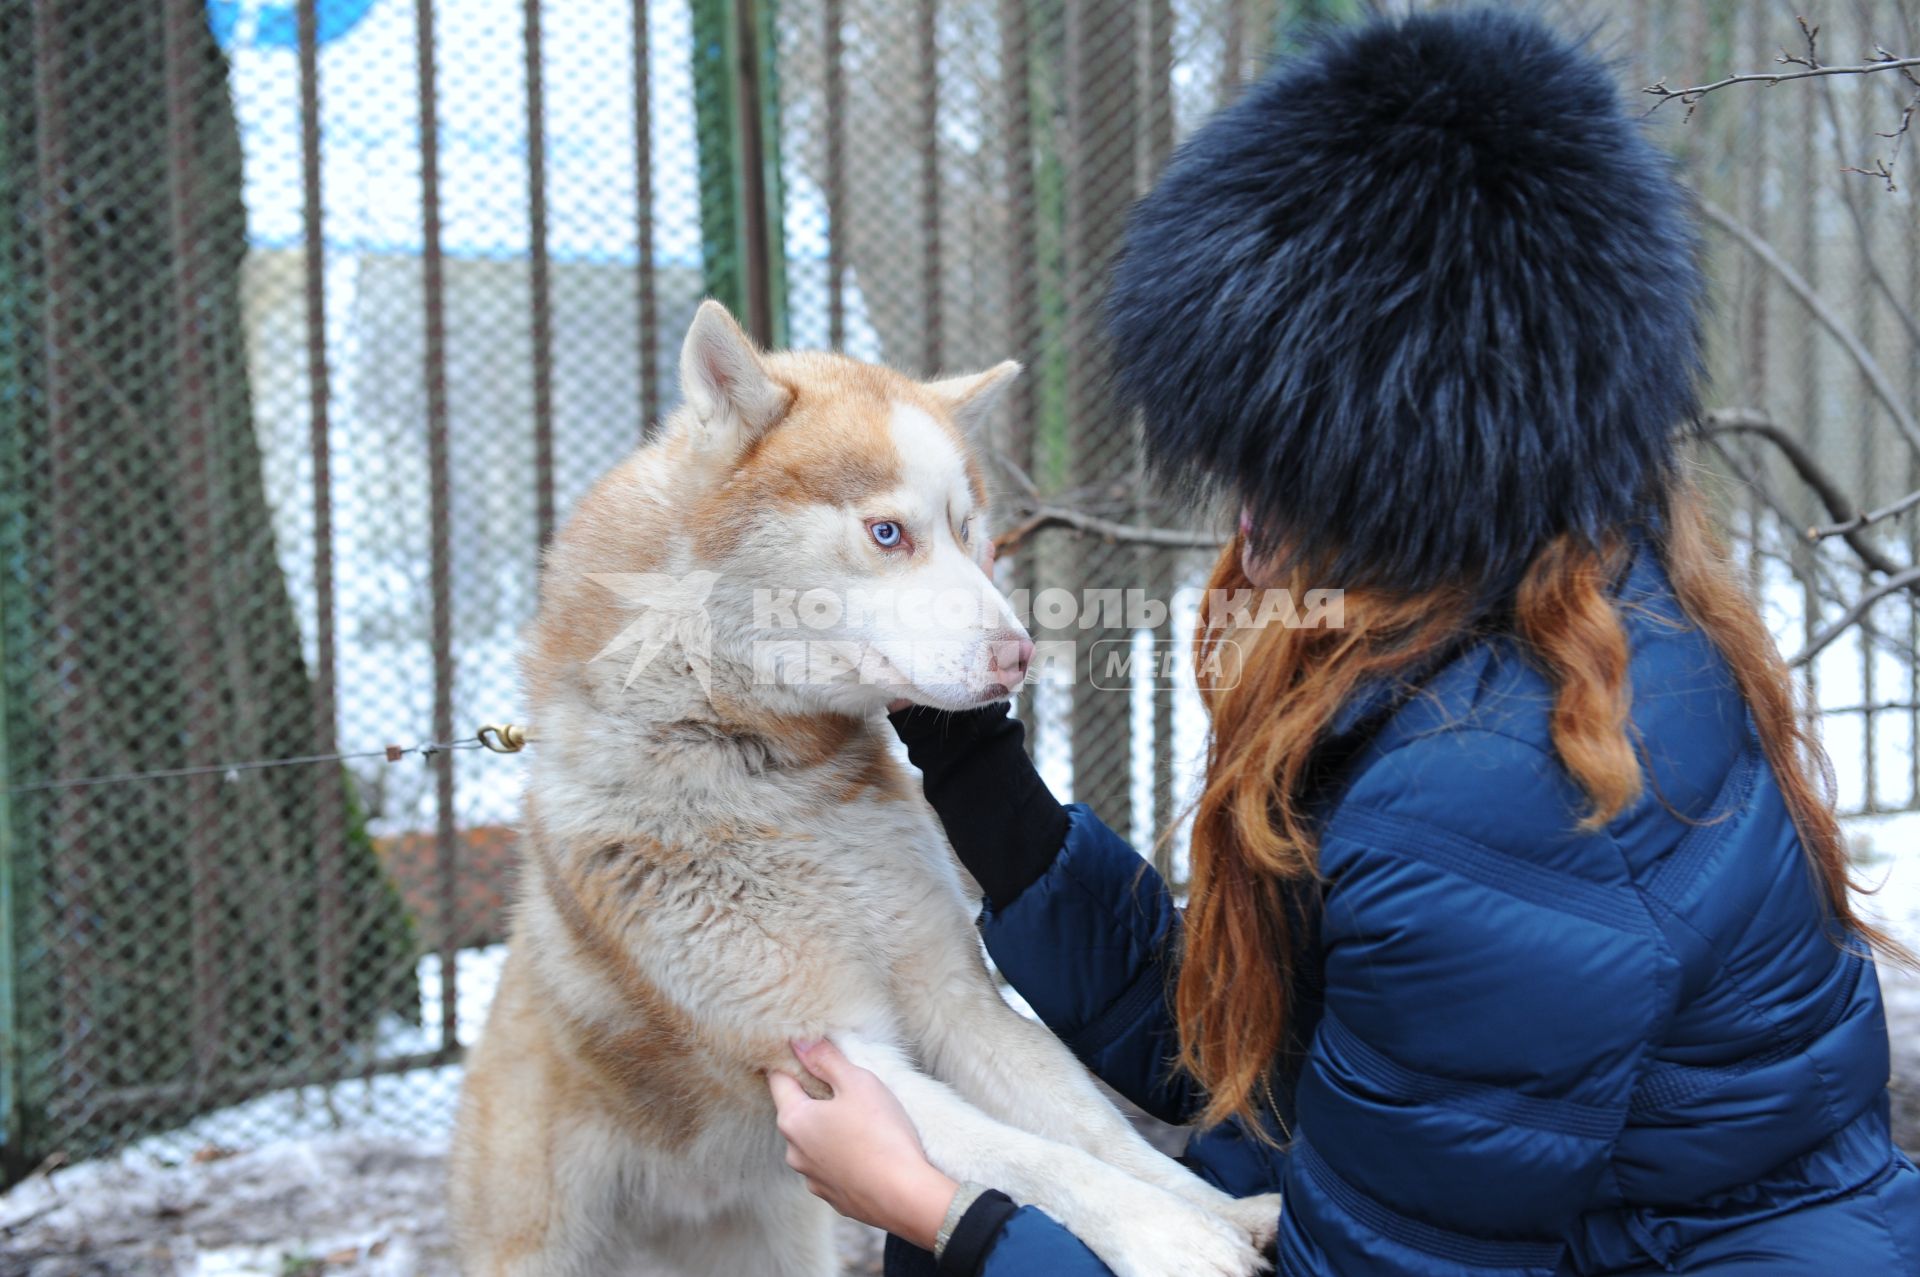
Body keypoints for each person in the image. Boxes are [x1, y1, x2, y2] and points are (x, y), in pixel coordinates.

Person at [765, 8, 1920, 1274]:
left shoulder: (1494, 797)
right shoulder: (1557, 606)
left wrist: (936, 1206)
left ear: (1395, 473)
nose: (1241, 515)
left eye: (1275, 467)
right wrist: (974, 762)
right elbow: (1263, 1056)